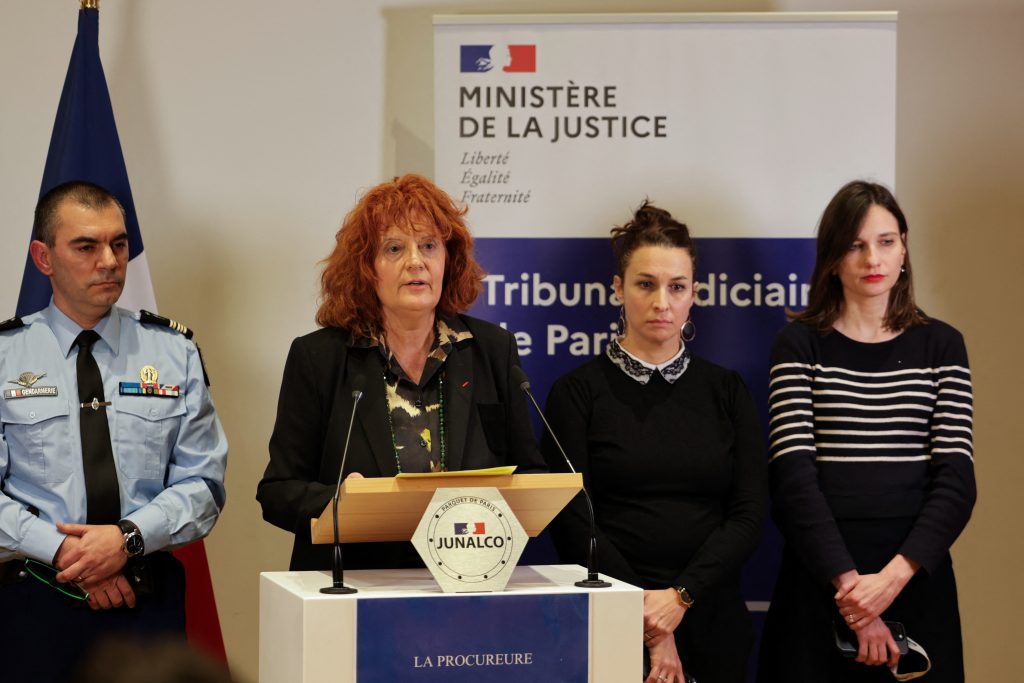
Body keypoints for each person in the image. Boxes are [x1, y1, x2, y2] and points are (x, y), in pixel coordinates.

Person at [0, 180, 228, 681]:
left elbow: (204, 484)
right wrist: (69, 552)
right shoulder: (5, 356)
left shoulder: (173, 352)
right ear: (43, 257)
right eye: (86, 246)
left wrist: (125, 540)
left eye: (119, 244)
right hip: (32, 601)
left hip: (144, 602)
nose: (109, 261)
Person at [257, 174, 544, 571]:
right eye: (394, 248)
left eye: (429, 245)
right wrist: (341, 502)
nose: (415, 261)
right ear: (367, 268)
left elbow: (531, 474)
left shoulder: (492, 350)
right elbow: (278, 491)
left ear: (448, 259)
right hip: (352, 582)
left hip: (467, 579)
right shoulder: (319, 358)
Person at [757, 181, 975, 682]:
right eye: (855, 245)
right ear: (832, 258)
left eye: (886, 241)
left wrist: (890, 582)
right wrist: (854, 594)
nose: (872, 259)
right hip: (821, 579)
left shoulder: (942, 346)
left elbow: (957, 481)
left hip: (915, 578)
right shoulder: (798, 345)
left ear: (904, 248)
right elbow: (792, 480)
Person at [543, 202, 767, 683]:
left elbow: (749, 513)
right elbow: (572, 521)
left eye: (676, 287)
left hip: (712, 619)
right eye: (645, 284)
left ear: (694, 295)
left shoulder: (727, 391)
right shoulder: (575, 393)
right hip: (609, 620)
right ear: (618, 289)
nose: (662, 302)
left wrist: (680, 597)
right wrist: (650, 621)